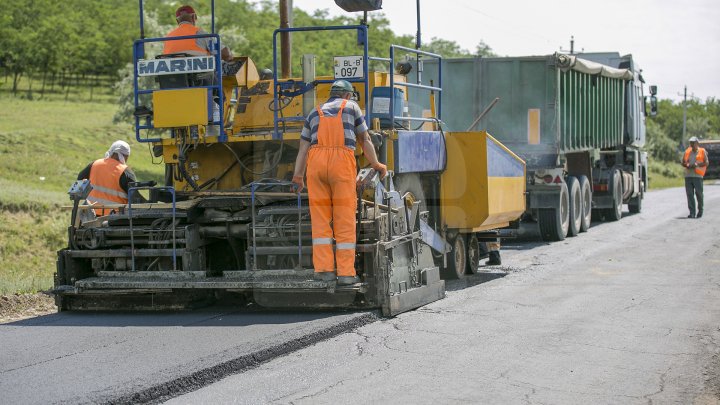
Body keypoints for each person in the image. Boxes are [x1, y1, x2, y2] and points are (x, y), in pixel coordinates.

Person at [292, 80, 387, 285]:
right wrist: (377, 164)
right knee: (343, 219)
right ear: (347, 96)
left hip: (315, 165)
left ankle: (324, 271)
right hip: (340, 164)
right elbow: (365, 139)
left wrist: (298, 176)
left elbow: (303, 148)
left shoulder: (313, 112)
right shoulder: (352, 108)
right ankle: (345, 274)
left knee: (320, 220)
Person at [77, 141, 141, 216]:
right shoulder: (125, 172)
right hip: (114, 219)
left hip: (91, 215)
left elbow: (80, 179)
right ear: (125, 156)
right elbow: (135, 197)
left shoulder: (94, 164)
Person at [163, 5, 232, 61]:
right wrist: (229, 55)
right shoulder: (200, 33)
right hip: (199, 77)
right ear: (194, 17)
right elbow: (225, 54)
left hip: (173, 77)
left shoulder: (168, 38)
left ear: (177, 21)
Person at [681, 136, 709, 218]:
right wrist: (687, 165)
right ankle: (692, 213)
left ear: (697, 143)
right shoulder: (687, 152)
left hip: (698, 176)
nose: (691, 144)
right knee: (689, 194)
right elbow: (682, 162)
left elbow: (706, 163)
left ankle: (700, 211)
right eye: (690, 143)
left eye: (693, 143)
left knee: (699, 194)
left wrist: (697, 165)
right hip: (688, 176)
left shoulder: (702, 151)